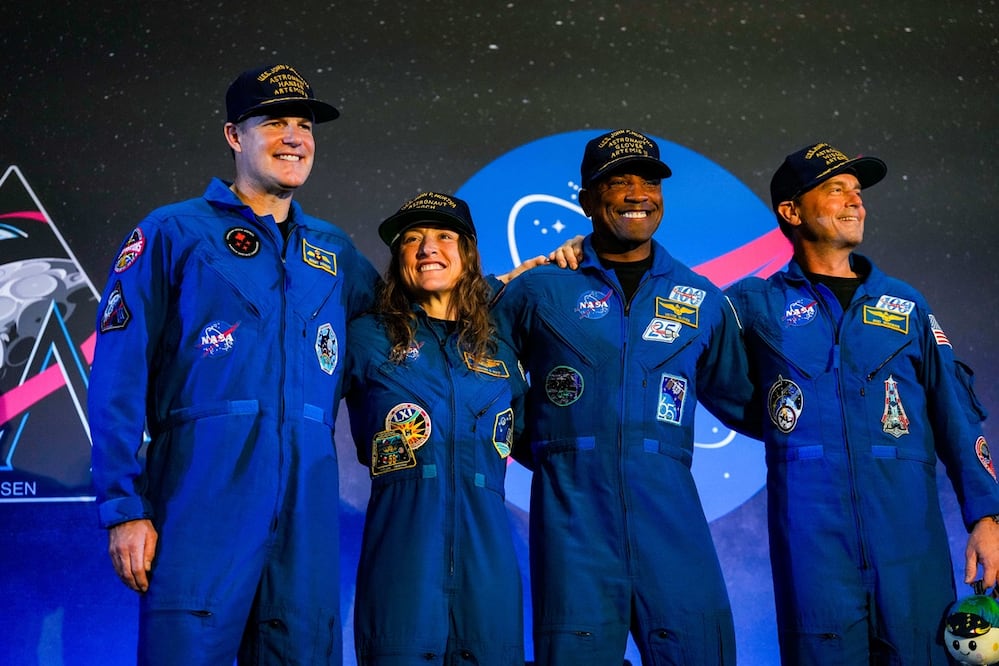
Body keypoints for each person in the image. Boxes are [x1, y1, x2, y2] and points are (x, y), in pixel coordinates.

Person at [87, 63, 379, 665]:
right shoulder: (173, 232)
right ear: (233, 136)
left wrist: (521, 280)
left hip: (305, 508)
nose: (296, 137)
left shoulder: (333, 252)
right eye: (275, 122)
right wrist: (124, 508)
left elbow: (412, 327)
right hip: (201, 500)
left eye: (304, 124)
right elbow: (118, 374)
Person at [724, 142, 999, 664]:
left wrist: (988, 518)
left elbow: (956, 412)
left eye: (857, 192)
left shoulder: (904, 304)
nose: (856, 202)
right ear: (791, 211)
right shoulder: (753, 304)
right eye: (836, 190)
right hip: (813, 548)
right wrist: (787, 426)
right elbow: (696, 365)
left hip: (908, 546)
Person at [493, 129, 754, 665]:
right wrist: (543, 449)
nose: (638, 193)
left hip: (669, 515)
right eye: (619, 181)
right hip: (573, 519)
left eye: (649, 181)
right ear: (588, 199)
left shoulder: (699, 297)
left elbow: (750, 402)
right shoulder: (541, 288)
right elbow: (478, 373)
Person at [344, 191, 528, 665]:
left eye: (444, 236)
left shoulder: (501, 352)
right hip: (401, 562)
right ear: (397, 258)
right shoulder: (365, 337)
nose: (428, 248)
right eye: (412, 240)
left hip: (489, 571)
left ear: (467, 253)